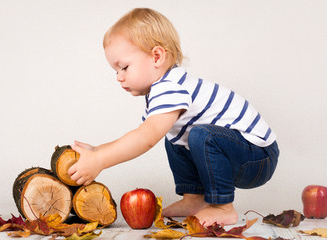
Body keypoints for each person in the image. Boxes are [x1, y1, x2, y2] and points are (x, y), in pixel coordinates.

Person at [68, 8, 279, 226]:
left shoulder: (171, 88)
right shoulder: (161, 91)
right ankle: (194, 198)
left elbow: (145, 138)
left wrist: (101, 161)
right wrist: (99, 150)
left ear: (157, 56)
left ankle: (222, 207)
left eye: (124, 67)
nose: (119, 77)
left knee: (200, 135)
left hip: (258, 157)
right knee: (175, 135)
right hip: (241, 153)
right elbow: (141, 133)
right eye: (116, 71)